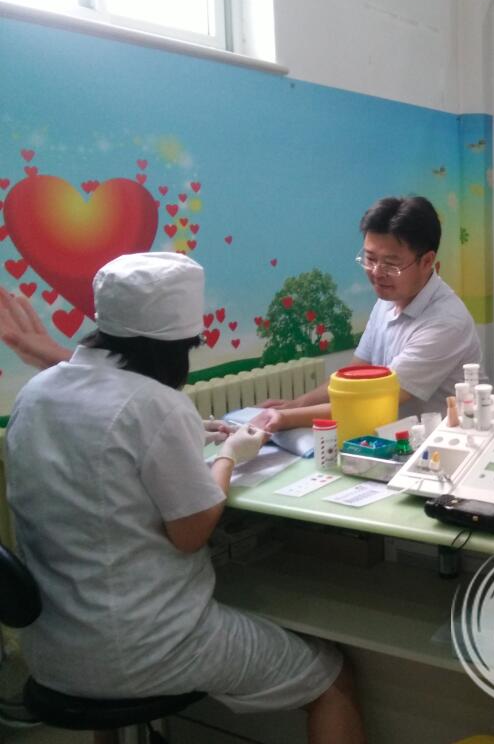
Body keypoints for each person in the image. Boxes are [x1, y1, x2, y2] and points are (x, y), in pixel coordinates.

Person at [4, 253, 365, 743]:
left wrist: (191, 431)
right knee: (332, 678)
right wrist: (230, 455)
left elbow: (103, 443)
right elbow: (192, 532)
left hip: (52, 648)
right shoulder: (157, 404)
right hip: (146, 649)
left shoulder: (36, 392)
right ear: (173, 349)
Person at [257, 196, 481, 431]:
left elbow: (374, 402)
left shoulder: (446, 323)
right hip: (392, 436)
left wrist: (285, 418)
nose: (376, 273)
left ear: (426, 261)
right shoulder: (388, 298)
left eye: (391, 264)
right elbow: (355, 374)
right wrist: (295, 404)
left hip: (439, 442)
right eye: (370, 259)